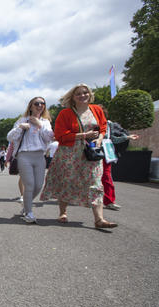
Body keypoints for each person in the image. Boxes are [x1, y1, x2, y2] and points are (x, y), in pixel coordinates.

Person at [40, 83, 117, 229]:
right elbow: (60, 135)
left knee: (96, 183)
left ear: (90, 94)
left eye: (85, 92)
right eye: (79, 94)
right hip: (69, 153)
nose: (83, 95)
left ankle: (99, 219)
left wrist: (99, 139)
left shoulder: (97, 109)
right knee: (67, 181)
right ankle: (63, 212)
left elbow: (103, 126)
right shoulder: (65, 113)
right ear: (73, 97)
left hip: (91, 153)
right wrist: (84, 135)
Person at [7, 97, 54, 223]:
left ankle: (26, 205)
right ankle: (29, 212)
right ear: (31, 106)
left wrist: (40, 125)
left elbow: (50, 138)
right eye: (36, 103)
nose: (40, 105)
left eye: (42, 103)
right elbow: (10, 137)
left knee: (38, 186)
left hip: (39, 156)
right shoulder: (22, 120)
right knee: (29, 185)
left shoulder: (45, 122)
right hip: (24, 156)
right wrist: (21, 127)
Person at [98, 105, 140, 210]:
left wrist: (127, 137)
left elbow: (113, 139)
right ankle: (85, 198)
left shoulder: (109, 124)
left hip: (105, 153)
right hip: (90, 153)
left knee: (106, 177)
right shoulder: (87, 124)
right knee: (89, 177)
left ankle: (109, 201)